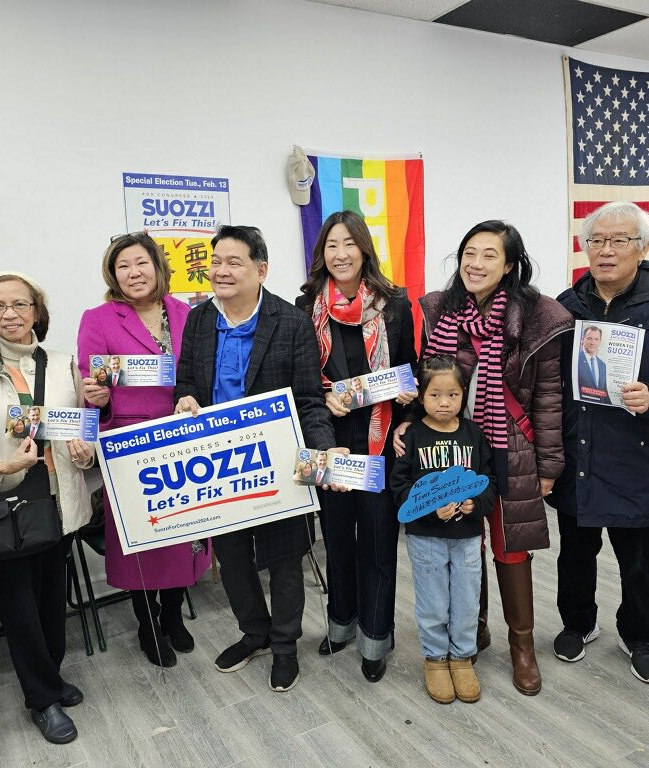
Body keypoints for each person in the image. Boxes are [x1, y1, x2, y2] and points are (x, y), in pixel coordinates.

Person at [402, 219, 572, 696]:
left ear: (510, 265)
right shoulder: (439, 311)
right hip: (450, 444)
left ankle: (523, 647)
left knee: (510, 546)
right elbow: (425, 382)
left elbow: (548, 398)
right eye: (468, 253)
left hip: (510, 444)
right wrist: (406, 426)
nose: (475, 264)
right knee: (460, 539)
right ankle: (470, 631)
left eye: (489, 255)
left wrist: (549, 465)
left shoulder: (538, 316)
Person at [548, 201, 649, 685]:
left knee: (638, 560)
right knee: (574, 554)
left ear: (643, 248)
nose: (606, 250)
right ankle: (578, 623)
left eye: (619, 241)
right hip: (580, 454)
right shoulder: (567, 304)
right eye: (596, 241)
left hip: (640, 456)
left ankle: (638, 634)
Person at [175, 225, 337, 692]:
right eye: (216, 261)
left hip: (276, 463)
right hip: (219, 466)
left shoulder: (289, 322)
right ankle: (255, 633)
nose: (221, 271)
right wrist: (185, 399)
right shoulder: (200, 320)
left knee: (286, 558)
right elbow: (186, 380)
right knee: (232, 557)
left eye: (234, 262)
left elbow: (309, 398)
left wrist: (321, 447)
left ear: (260, 269)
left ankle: (286, 645)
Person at [0, 272, 96, 744]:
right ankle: (42, 700)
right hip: (6, 506)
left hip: (59, 501)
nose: (9, 315)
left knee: (49, 601)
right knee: (19, 609)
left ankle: (52, 677)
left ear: (37, 311)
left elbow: (84, 426)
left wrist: (86, 449)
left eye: (19, 305)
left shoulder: (64, 364)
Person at [77, 233, 211, 668]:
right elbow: (89, 383)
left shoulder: (186, 312)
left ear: (158, 266)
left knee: (182, 534)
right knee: (142, 539)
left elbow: (200, 374)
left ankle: (173, 615)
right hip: (131, 444)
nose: (134, 273)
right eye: (123, 266)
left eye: (141, 263)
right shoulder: (98, 318)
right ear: (112, 274)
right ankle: (147, 622)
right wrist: (94, 396)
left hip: (184, 438)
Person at [296, 210, 416, 682]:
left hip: (381, 440)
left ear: (364, 249)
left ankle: (375, 638)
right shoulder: (306, 306)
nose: (340, 253)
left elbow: (411, 368)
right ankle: (341, 625)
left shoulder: (397, 304)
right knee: (337, 541)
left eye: (349, 243)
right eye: (331, 245)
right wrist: (324, 396)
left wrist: (407, 406)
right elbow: (301, 378)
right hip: (329, 441)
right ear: (321, 253)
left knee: (379, 542)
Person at [391, 355, 496, 704]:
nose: (444, 402)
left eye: (452, 395)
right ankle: (436, 658)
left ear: (463, 395)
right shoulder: (412, 435)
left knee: (467, 602)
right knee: (433, 603)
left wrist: (475, 504)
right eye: (435, 395)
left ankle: (462, 657)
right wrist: (428, 507)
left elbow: (489, 481)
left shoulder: (474, 434)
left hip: (467, 538)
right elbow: (399, 487)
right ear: (421, 396)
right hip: (425, 539)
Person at [576, 326, 611, 404]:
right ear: (583, 339)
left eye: (596, 339)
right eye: (589, 338)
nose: (592, 343)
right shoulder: (576, 359)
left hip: (601, 411)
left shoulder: (602, 365)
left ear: (600, 342)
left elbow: (604, 392)